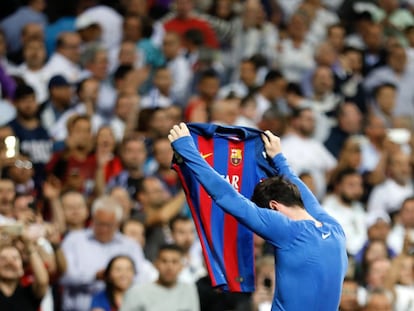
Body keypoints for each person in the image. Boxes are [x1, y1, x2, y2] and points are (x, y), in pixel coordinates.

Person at [168, 122, 348, 310]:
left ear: (274, 207)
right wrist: (279, 158)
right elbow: (305, 195)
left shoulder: (287, 230)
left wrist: (187, 150)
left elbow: (226, 196)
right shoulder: (335, 229)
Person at [121, 243, 200, 311]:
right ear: (155, 264)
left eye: (174, 262)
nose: (169, 267)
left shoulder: (189, 290)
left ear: (182, 266)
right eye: (164, 261)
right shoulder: (136, 292)